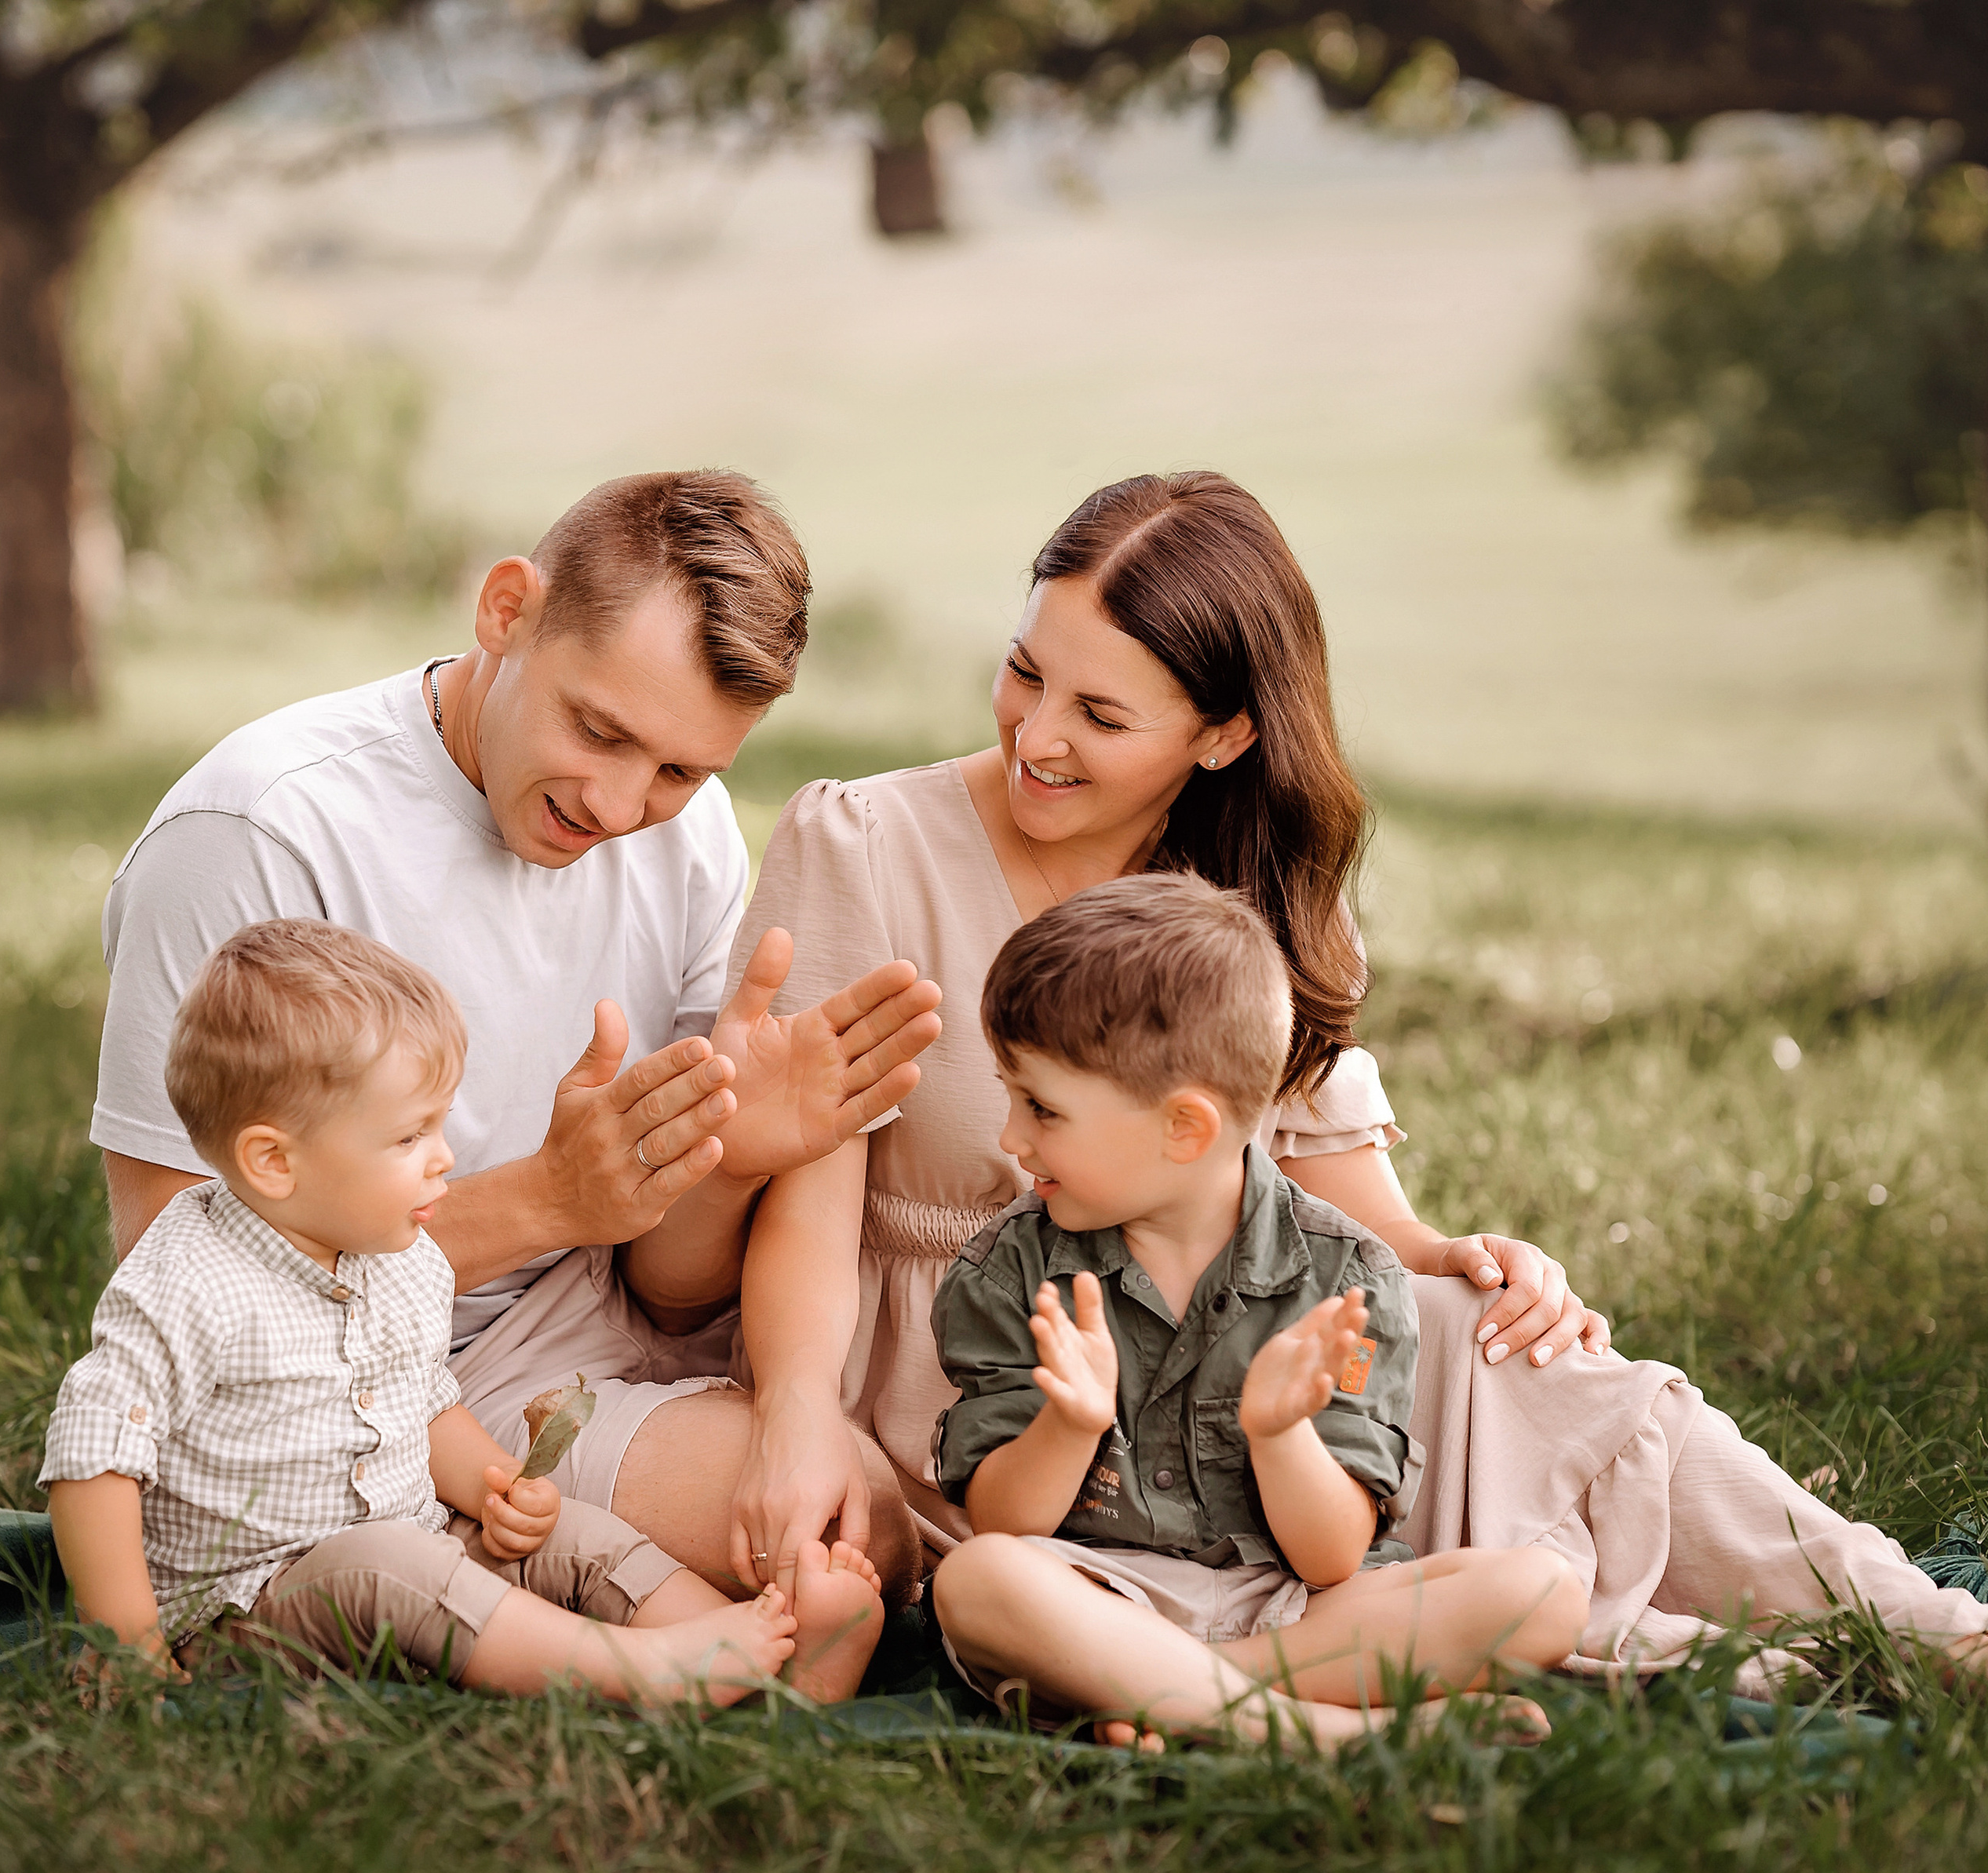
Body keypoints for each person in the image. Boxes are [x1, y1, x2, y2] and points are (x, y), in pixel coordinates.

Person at [730, 470, 1987, 1692]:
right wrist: (795, 1411)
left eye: (1101, 716)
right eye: (1024, 670)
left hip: (1232, 1373)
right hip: (992, 1389)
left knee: (1514, 1352)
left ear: (1225, 734)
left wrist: (1466, 1260)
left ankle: (1916, 1628)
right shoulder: (870, 845)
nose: (1036, 736)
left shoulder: (1251, 895)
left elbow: (1342, 1214)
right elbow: (806, 1187)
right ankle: (1581, 1659)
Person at [89, 472, 940, 1613]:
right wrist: (548, 1200)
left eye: (683, 771)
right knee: (807, 1558)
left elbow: (668, 1292)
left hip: (590, 1338)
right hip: (330, 1376)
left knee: (862, 1529)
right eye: (600, 729)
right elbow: (168, 1262)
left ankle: (505, 1553)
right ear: (506, 612)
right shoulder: (259, 832)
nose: (621, 805)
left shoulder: (687, 851)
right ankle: (437, 1545)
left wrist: (725, 1159)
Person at [42, 920, 886, 1701]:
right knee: (389, 1564)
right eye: (410, 1138)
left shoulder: (400, 1255)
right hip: (250, 1607)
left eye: (441, 1125)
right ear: (273, 1160)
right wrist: (127, 1642)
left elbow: (424, 1400)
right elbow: (94, 1455)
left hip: (419, 1540)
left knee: (572, 1537)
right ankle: (643, 1671)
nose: (445, 1158)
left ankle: (757, 1653)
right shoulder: (190, 1278)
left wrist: (491, 1489)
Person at [929, 877, 1584, 1747]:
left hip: (1300, 1611)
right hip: (1096, 1595)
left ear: (1184, 1128)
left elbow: (1333, 1558)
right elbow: (1007, 1525)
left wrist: (1280, 1435)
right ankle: (1331, 1734)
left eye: (1041, 1108)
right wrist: (1068, 1423)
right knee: (977, 1583)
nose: (1012, 1138)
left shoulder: (1350, 1279)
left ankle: (1170, 1697)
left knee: (1542, 1594)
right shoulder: (1008, 1268)